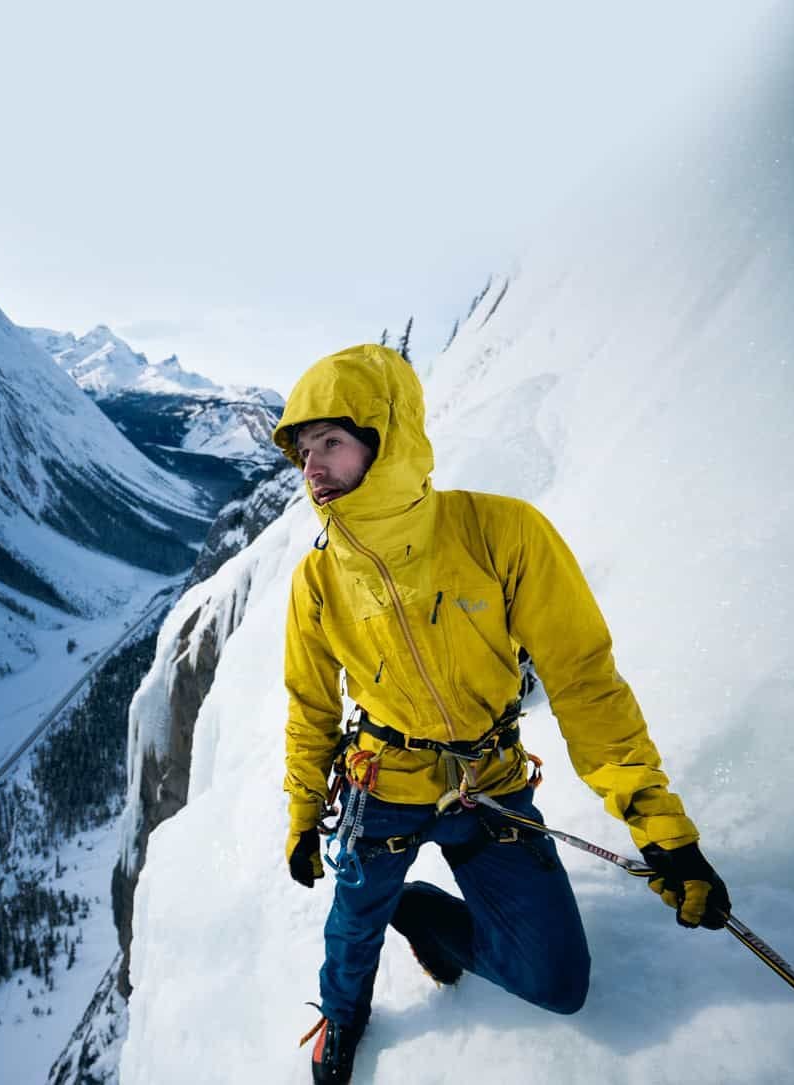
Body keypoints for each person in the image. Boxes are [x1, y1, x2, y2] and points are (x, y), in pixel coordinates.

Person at [275, 344, 730, 1085]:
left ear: (385, 436)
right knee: (350, 929)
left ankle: (422, 915)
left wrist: (660, 829)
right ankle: (343, 1013)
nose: (313, 466)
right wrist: (302, 813)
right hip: (383, 785)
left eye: (330, 441)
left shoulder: (501, 532)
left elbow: (584, 680)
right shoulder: (317, 580)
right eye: (302, 450)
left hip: (487, 783)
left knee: (557, 980)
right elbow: (312, 704)